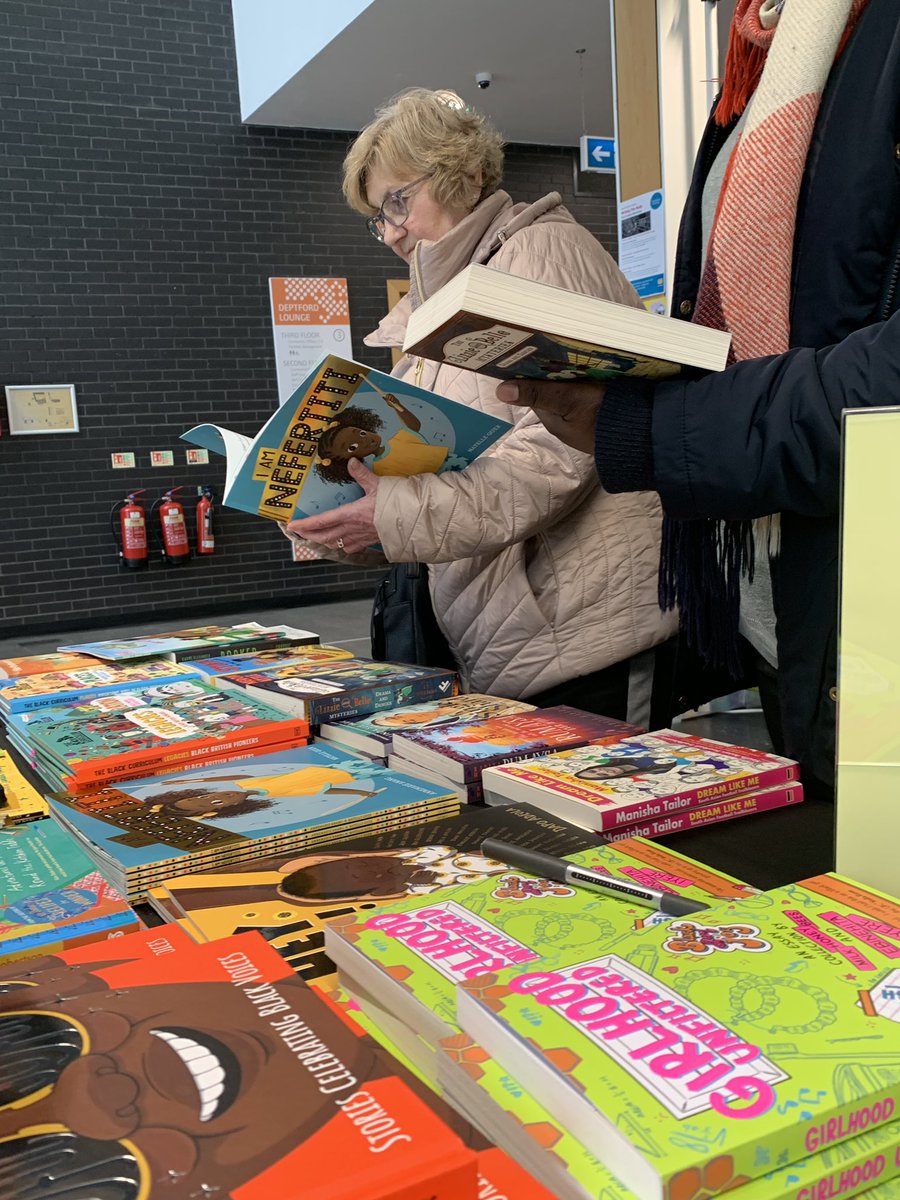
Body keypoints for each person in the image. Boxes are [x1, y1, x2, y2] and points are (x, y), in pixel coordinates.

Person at [496, 0, 898, 798]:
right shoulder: (764, 62)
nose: (393, 228)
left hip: (872, 610)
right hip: (786, 596)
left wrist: (648, 424)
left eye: (399, 201)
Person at [286, 87, 677, 720]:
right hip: (520, 629)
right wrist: (339, 504)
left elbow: (562, 452)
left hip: (582, 623)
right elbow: (443, 461)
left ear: (464, 174)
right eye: (377, 216)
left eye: (398, 201)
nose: (389, 233)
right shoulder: (445, 297)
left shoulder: (540, 257)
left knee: (605, 810)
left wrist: (394, 514)